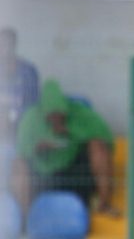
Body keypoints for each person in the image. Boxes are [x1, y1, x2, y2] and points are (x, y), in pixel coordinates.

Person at [15, 78, 117, 214]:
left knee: (98, 147)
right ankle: (25, 216)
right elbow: (22, 149)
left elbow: (105, 137)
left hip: (75, 172)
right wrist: (36, 148)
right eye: (52, 116)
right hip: (42, 175)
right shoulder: (30, 119)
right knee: (18, 165)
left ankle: (104, 203)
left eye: (60, 115)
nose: (56, 120)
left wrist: (72, 133)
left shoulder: (79, 113)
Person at [0, 27, 39, 139]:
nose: (4, 49)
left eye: (8, 44)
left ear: (14, 45)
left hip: (22, 127)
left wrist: (12, 118)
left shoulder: (28, 71)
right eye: (1, 44)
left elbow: (33, 104)